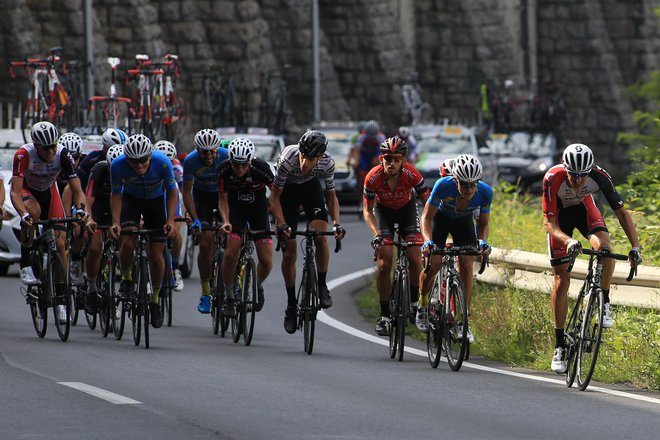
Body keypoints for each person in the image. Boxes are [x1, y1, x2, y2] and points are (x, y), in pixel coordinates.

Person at [542, 143, 642, 373]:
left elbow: (621, 213)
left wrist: (636, 246)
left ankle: (603, 300)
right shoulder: (552, 178)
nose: (578, 180)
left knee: (606, 250)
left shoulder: (600, 176)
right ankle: (559, 346)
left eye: (582, 175)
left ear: (590, 171)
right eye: (573, 175)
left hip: (585, 211)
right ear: (565, 169)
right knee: (561, 280)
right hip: (560, 220)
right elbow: (549, 223)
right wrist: (567, 241)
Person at [270, 130, 346, 334]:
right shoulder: (288, 159)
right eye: (303, 156)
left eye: (311, 158)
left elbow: (331, 196)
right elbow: (274, 198)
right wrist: (281, 224)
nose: (304, 162)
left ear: (319, 157)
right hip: (287, 192)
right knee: (290, 250)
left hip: (310, 189)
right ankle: (291, 304)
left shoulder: (327, 163)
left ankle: (322, 285)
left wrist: (337, 223)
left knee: (321, 235)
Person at [10, 121, 87, 323]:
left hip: (49, 192)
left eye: (54, 145)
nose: (51, 151)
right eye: (46, 148)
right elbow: (15, 192)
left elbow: (77, 190)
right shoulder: (23, 155)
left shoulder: (62, 154)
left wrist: (80, 210)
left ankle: (61, 300)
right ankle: (26, 262)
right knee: (32, 213)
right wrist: (23, 215)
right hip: (28, 191)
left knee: (61, 244)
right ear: (36, 146)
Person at [417, 154, 492, 341]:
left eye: (473, 184)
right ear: (455, 179)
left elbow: (482, 224)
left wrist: (482, 242)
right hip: (440, 221)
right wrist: (427, 241)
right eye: (464, 184)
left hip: (463, 223)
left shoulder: (485, 192)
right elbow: (426, 218)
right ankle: (423, 303)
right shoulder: (443, 185)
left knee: (467, 265)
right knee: (432, 265)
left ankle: (462, 320)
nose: (469, 189)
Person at [363, 137, 429, 335]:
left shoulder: (411, 174)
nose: (392, 163)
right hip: (384, 213)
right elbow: (367, 211)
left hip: (407, 211)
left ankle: (415, 303)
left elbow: (429, 203)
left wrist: (428, 233)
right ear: (381, 158)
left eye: (397, 159)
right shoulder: (372, 177)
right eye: (388, 158)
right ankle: (384, 316)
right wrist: (376, 234)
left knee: (415, 258)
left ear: (403, 161)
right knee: (384, 263)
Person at [110, 134, 178, 329]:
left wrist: (171, 220)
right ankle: (126, 278)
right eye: (134, 162)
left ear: (150, 155)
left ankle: (155, 299)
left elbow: (172, 192)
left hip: (156, 203)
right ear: (127, 159)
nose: (139, 167)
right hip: (131, 201)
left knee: (156, 254)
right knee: (128, 240)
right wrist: (116, 222)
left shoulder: (162, 163)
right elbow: (116, 194)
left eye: (143, 161)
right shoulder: (118, 165)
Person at [217, 137, 274, 313]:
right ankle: (229, 297)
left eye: (244, 165)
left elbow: (277, 195)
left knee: (266, 261)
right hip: (235, 211)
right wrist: (225, 221)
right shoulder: (224, 169)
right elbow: (222, 199)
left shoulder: (261, 168)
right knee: (230, 253)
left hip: (258, 211)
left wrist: (279, 218)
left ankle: (257, 286)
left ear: (250, 161)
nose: (240, 169)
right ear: (230, 161)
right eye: (236, 165)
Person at [181, 128, 229, 314]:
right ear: (197, 149)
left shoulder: (225, 156)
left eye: (212, 151)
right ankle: (206, 291)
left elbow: (231, 187)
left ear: (217, 149)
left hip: (222, 194)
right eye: (204, 152)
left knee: (234, 235)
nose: (208, 155)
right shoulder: (191, 161)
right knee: (205, 242)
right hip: (202, 197)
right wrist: (196, 220)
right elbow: (186, 192)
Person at [83, 144, 123, 314]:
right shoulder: (98, 170)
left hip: (120, 209)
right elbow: (88, 200)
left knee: (128, 239)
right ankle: (92, 287)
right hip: (99, 209)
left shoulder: (128, 171)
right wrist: (89, 218)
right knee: (94, 247)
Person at [154, 140, 185, 291]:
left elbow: (184, 192)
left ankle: (176, 267)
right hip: (154, 198)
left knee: (175, 231)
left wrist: (188, 214)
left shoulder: (177, 169)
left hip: (171, 197)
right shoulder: (149, 165)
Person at [56, 132, 86, 285]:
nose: (73, 161)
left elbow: (80, 193)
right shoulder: (56, 162)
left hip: (75, 198)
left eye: (76, 157)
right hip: (56, 198)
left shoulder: (85, 165)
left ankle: (75, 258)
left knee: (79, 228)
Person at [348, 120, 386, 199]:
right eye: (369, 138)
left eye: (373, 138)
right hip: (364, 154)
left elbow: (384, 152)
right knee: (361, 174)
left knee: (378, 166)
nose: (371, 140)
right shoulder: (361, 137)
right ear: (366, 134)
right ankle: (361, 196)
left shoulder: (381, 137)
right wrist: (355, 161)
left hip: (376, 153)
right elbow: (356, 150)